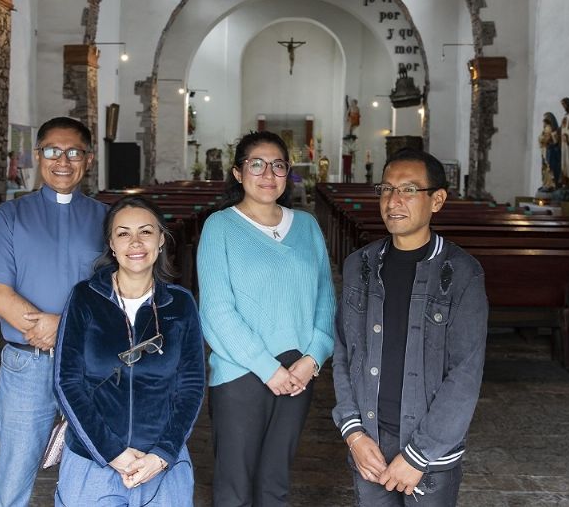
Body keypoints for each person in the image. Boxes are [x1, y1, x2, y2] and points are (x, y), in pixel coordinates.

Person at [332, 148, 488, 506]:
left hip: (429, 455)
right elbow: (344, 352)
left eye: (408, 190)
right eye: (386, 189)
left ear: (437, 199)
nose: (393, 201)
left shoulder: (461, 273)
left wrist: (418, 455)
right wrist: (354, 433)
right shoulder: (361, 265)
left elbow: (465, 374)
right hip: (369, 444)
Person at [0, 116, 107, 506]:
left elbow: (118, 294)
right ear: (37, 155)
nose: (63, 160)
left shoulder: (107, 219)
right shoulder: (10, 216)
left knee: (91, 470)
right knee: (16, 472)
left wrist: (63, 328)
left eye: (74, 152)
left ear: (89, 159)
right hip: (29, 364)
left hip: (90, 365)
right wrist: (51, 329)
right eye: (52, 151)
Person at [197, 130, 336, 507]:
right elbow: (215, 311)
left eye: (277, 165)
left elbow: (325, 296)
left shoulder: (306, 226)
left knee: (276, 484)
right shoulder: (220, 227)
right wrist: (267, 368)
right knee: (235, 487)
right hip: (241, 372)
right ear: (238, 173)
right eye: (256, 164)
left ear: (288, 173)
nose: (267, 174)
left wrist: (314, 358)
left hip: (299, 372)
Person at [54, 196, 205, 506]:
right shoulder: (85, 297)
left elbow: (190, 386)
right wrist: (112, 453)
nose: (135, 242)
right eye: (123, 233)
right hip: (93, 461)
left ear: (161, 239)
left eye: (146, 232)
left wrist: (162, 454)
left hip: (162, 465)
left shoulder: (180, 303)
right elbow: (66, 381)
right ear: (111, 243)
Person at [539, 112, 561, 190]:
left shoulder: (549, 128)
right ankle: (546, 184)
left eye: (544, 120)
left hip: (550, 150)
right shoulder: (546, 129)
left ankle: (551, 184)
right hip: (545, 150)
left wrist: (544, 139)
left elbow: (548, 139)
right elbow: (541, 138)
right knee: (545, 168)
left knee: (549, 168)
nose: (543, 122)